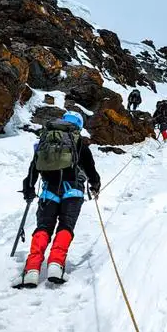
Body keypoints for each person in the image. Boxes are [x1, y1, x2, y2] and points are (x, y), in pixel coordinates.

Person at [13, 111, 101, 289]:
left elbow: (33, 169)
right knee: (65, 226)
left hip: (48, 191)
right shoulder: (80, 144)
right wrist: (95, 185)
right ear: (79, 125)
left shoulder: (46, 141)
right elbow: (91, 171)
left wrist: (29, 188)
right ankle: (55, 264)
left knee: (43, 227)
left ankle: (31, 270)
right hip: (73, 191)